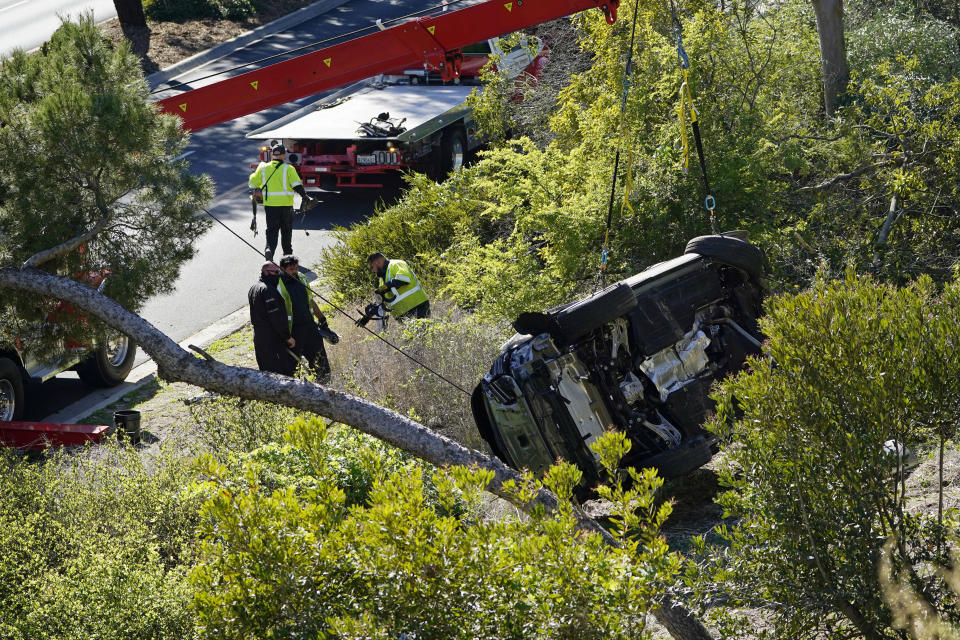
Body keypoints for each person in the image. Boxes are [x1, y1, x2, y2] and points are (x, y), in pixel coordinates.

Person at [248, 143, 318, 261]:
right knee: (286, 231)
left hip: (270, 206)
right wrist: (305, 197)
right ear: (284, 156)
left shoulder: (263, 168)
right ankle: (288, 256)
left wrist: (256, 172)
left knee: (272, 230)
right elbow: (297, 186)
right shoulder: (288, 168)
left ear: (272, 155)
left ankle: (269, 250)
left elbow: (252, 184)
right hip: (286, 206)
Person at [277, 255, 336, 381]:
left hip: (310, 327)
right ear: (282, 269)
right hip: (293, 331)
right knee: (292, 367)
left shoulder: (302, 278)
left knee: (320, 361)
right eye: (291, 269)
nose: (295, 272)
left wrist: (322, 319)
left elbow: (310, 300)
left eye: (296, 268)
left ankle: (325, 386)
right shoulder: (277, 284)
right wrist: (284, 335)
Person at [248, 262, 297, 376]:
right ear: (266, 272)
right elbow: (276, 317)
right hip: (272, 339)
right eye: (275, 272)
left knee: (266, 373)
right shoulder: (268, 290)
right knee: (281, 374)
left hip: (259, 338)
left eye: (279, 272)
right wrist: (287, 337)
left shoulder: (253, 288)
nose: (278, 275)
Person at [366, 252, 430, 321]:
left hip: (417, 307)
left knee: (422, 330)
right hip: (402, 314)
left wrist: (384, 288)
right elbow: (381, 300)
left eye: (372, 267)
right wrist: (366, 318)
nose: (372, 271)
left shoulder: (396, 264)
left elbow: (403, 279)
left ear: (378, 262)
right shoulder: (382, 279)